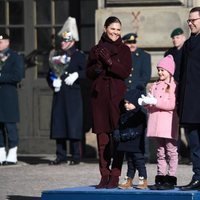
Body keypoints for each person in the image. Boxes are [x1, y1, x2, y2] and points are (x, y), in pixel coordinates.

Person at [86, 16, 132, 189]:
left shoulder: (124, 50)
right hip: (99, 98)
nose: (116, 32)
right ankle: (104, 174)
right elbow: (88, 73)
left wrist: (110, 62)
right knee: (102, 138)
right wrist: (97, 67)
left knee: (117, 137)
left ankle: (115, 173)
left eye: (118, 29)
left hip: (116, 98)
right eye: (112, 29)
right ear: (105, 29)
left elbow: (125, 72)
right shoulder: (95, 49)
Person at [48, 17, 86, 165]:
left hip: (73, 94)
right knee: (59, 124)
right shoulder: (57, 55)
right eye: (62, 41)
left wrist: (77, 75)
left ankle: (76, 156)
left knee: (73, 124)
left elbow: (87, 73)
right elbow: (50, 73)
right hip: (60, 94)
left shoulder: (79, 55)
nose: (62, 43)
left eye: (65, 41)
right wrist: (53, 81)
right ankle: (61, 155)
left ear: (72, 41)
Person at [139, 55, 179, 190]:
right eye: (159, 70)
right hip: (156, 124)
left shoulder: (173, 86)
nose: (160, 72)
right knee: (160, 152)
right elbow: (151, 106)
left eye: (163, 70)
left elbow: (172, 105)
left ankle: (171, 178)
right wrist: (146, 102)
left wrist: (155, 102)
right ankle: (160, 177)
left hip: (168, 124)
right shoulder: (154, 85)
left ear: (170, 71)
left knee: (171, 151)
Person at [118, 32, 151, 189]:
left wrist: (135, 93)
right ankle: (129, 176)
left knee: (139, 130)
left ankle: (143, 157)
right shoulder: (122, 56)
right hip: (126, 98)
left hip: (137, 98)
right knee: (127, 129)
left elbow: (145, 77)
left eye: (133, 42)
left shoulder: (144, 56)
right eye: (128, 43)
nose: (132, 45)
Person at [178, 7, 200, 191]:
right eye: (189, 20)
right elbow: (182, 74)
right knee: (194, 143)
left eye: (194, 20)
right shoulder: (187, 44)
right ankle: (198, 176)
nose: (191, 23)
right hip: (190, 103)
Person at [113, 87, 148, 190]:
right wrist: (117, 133)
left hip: (136, 145)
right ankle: (129, 179)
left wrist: (124, 135)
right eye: (125, 102)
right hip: (127, 144)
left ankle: (143, 178)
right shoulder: (124, 115)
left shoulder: (140, 115)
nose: (126, 105)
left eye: (129, 103)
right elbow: (119, 126)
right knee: (130, 162)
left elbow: (138, 130)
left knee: (139, 161)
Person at [165, 28, 190, 164]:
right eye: (173, 38)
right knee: (174, 125)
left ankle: (191, 154)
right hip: (173, 92)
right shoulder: (169, 53)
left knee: (188, 125)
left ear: (183, 37)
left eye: (178, 37)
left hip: (186, 91)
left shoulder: (189, 50)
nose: (175, 40)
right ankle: (176, 154)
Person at [0, 33, 24, 165]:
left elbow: (17, 76)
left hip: (8, 95)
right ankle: (1, 151)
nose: (0, 44)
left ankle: (13, 152)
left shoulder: (15, 57)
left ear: (8, 42)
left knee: (10, 125)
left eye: (2, 41)